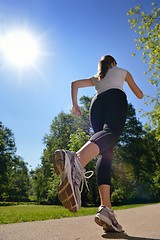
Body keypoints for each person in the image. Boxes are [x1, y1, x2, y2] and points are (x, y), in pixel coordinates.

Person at [52, 55, 143, 232]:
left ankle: (106, 209)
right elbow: (139, 94)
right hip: (115, 98)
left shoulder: (97, 77)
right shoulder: (122, 71)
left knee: (105, 151)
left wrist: (75, 105)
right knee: (111, 133)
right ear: (113, 63)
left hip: (96, 105)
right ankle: (76, 161)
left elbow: (74, 84)